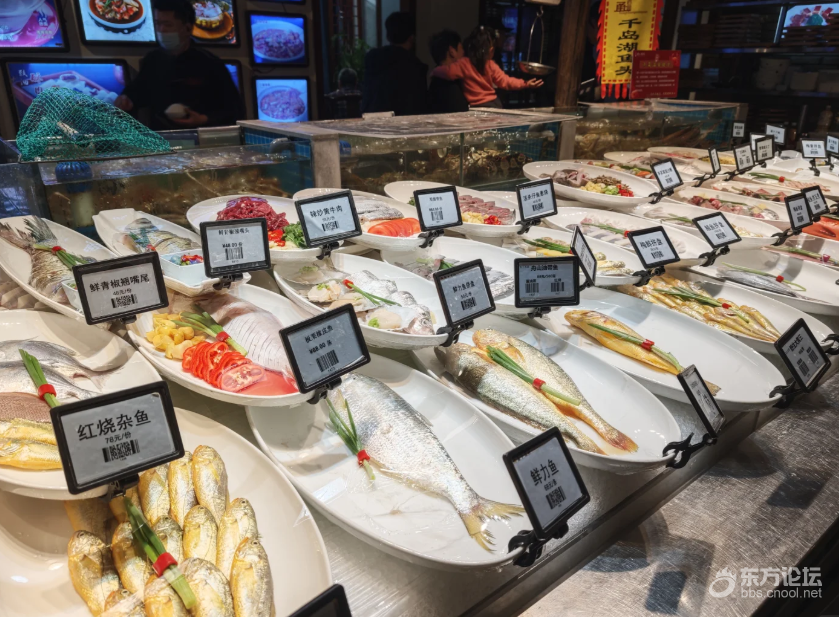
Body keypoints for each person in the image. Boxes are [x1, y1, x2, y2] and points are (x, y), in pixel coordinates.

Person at [114, 0, 244, 130]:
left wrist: (203, 119)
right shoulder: (152, 60)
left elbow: (234, 110)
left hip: (202, 136)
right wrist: (127, 99)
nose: (161, 30)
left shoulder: (210, 63)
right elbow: (139, 92)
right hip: (162, 136)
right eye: (158, 24)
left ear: (187, 28)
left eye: (168, 25)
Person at [430, 25, 543, 109]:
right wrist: (525, 83)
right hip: (495, 104)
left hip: (477, 108)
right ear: (491, 50)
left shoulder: (463, 64)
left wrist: (434, 71)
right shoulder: (491, 65)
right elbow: (506, 81)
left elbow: (447, 72)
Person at [361, 12, 428, 116]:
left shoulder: (372, 59)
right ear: (412, 37)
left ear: (388, 37)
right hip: (403, 123)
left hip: (371, 120)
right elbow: (418, 107)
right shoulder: (415, 67)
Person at [428, 29, 469, 114]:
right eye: (461, 48)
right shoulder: (450, 84)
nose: (464, 53)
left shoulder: (435, 81)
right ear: (452, 51)